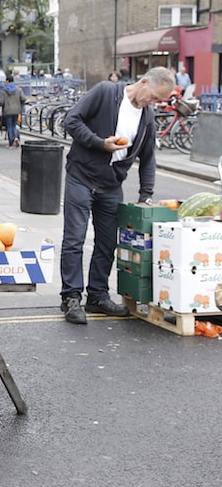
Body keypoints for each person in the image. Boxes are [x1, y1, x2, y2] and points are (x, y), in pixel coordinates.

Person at [59, 67, 176, 325]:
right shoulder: (105, 92)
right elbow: (71, 121)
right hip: (81, 176)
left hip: (111, 185)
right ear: (143, 82)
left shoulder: (146, 116)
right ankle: (71, 297)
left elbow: (148, 159)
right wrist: (100, 143)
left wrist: (146, 194)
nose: (153, 104)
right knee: (75, 239)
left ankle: (98, 294)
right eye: (154, 97)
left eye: (158, 101)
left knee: (108, 242)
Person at [0, 74, 26, 149]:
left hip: (7, 111)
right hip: (16, 110)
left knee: (9, 126)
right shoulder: (18, 90)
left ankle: (10, 143)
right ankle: (16, 137)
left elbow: (1, 102)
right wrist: (20, 106)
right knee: (14, 125)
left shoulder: (4, 90)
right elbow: (23, 99)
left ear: (7, 81)